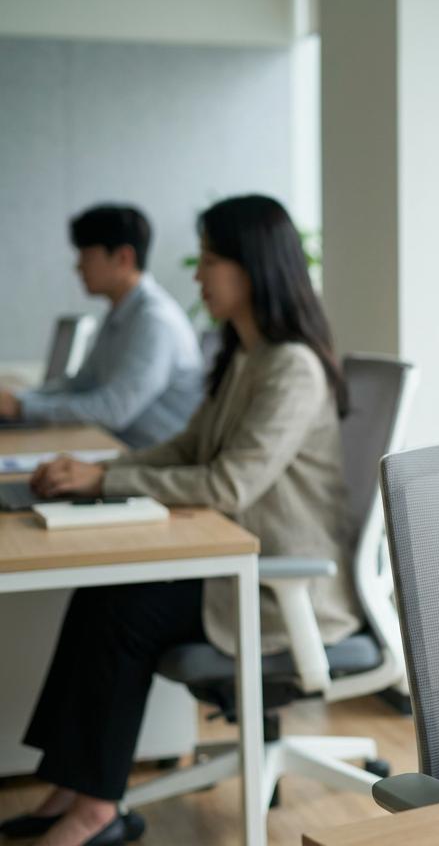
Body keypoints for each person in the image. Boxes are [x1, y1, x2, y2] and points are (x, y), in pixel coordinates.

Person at [0, 196, 361, 846]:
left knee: (123, 611)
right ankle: (73, 787)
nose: (198, 275)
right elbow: (189, 448)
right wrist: (101, 471)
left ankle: (96, 808)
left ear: (256, 267)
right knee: (102, 592)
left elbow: (227, 483)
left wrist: (108, 477)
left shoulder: (291, 368)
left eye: (213, 260)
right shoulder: (244, 356)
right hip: (236, 561)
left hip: (281, 585)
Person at [0, 205, 203, 448]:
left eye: (87, 257)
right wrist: (19, 399)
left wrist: (22, 407)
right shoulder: (123, 312)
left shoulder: (155, 321)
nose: (78, 267)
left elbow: (113, 410)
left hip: (154, 460)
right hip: (120, 449)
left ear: (123, 258)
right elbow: (83, 384)